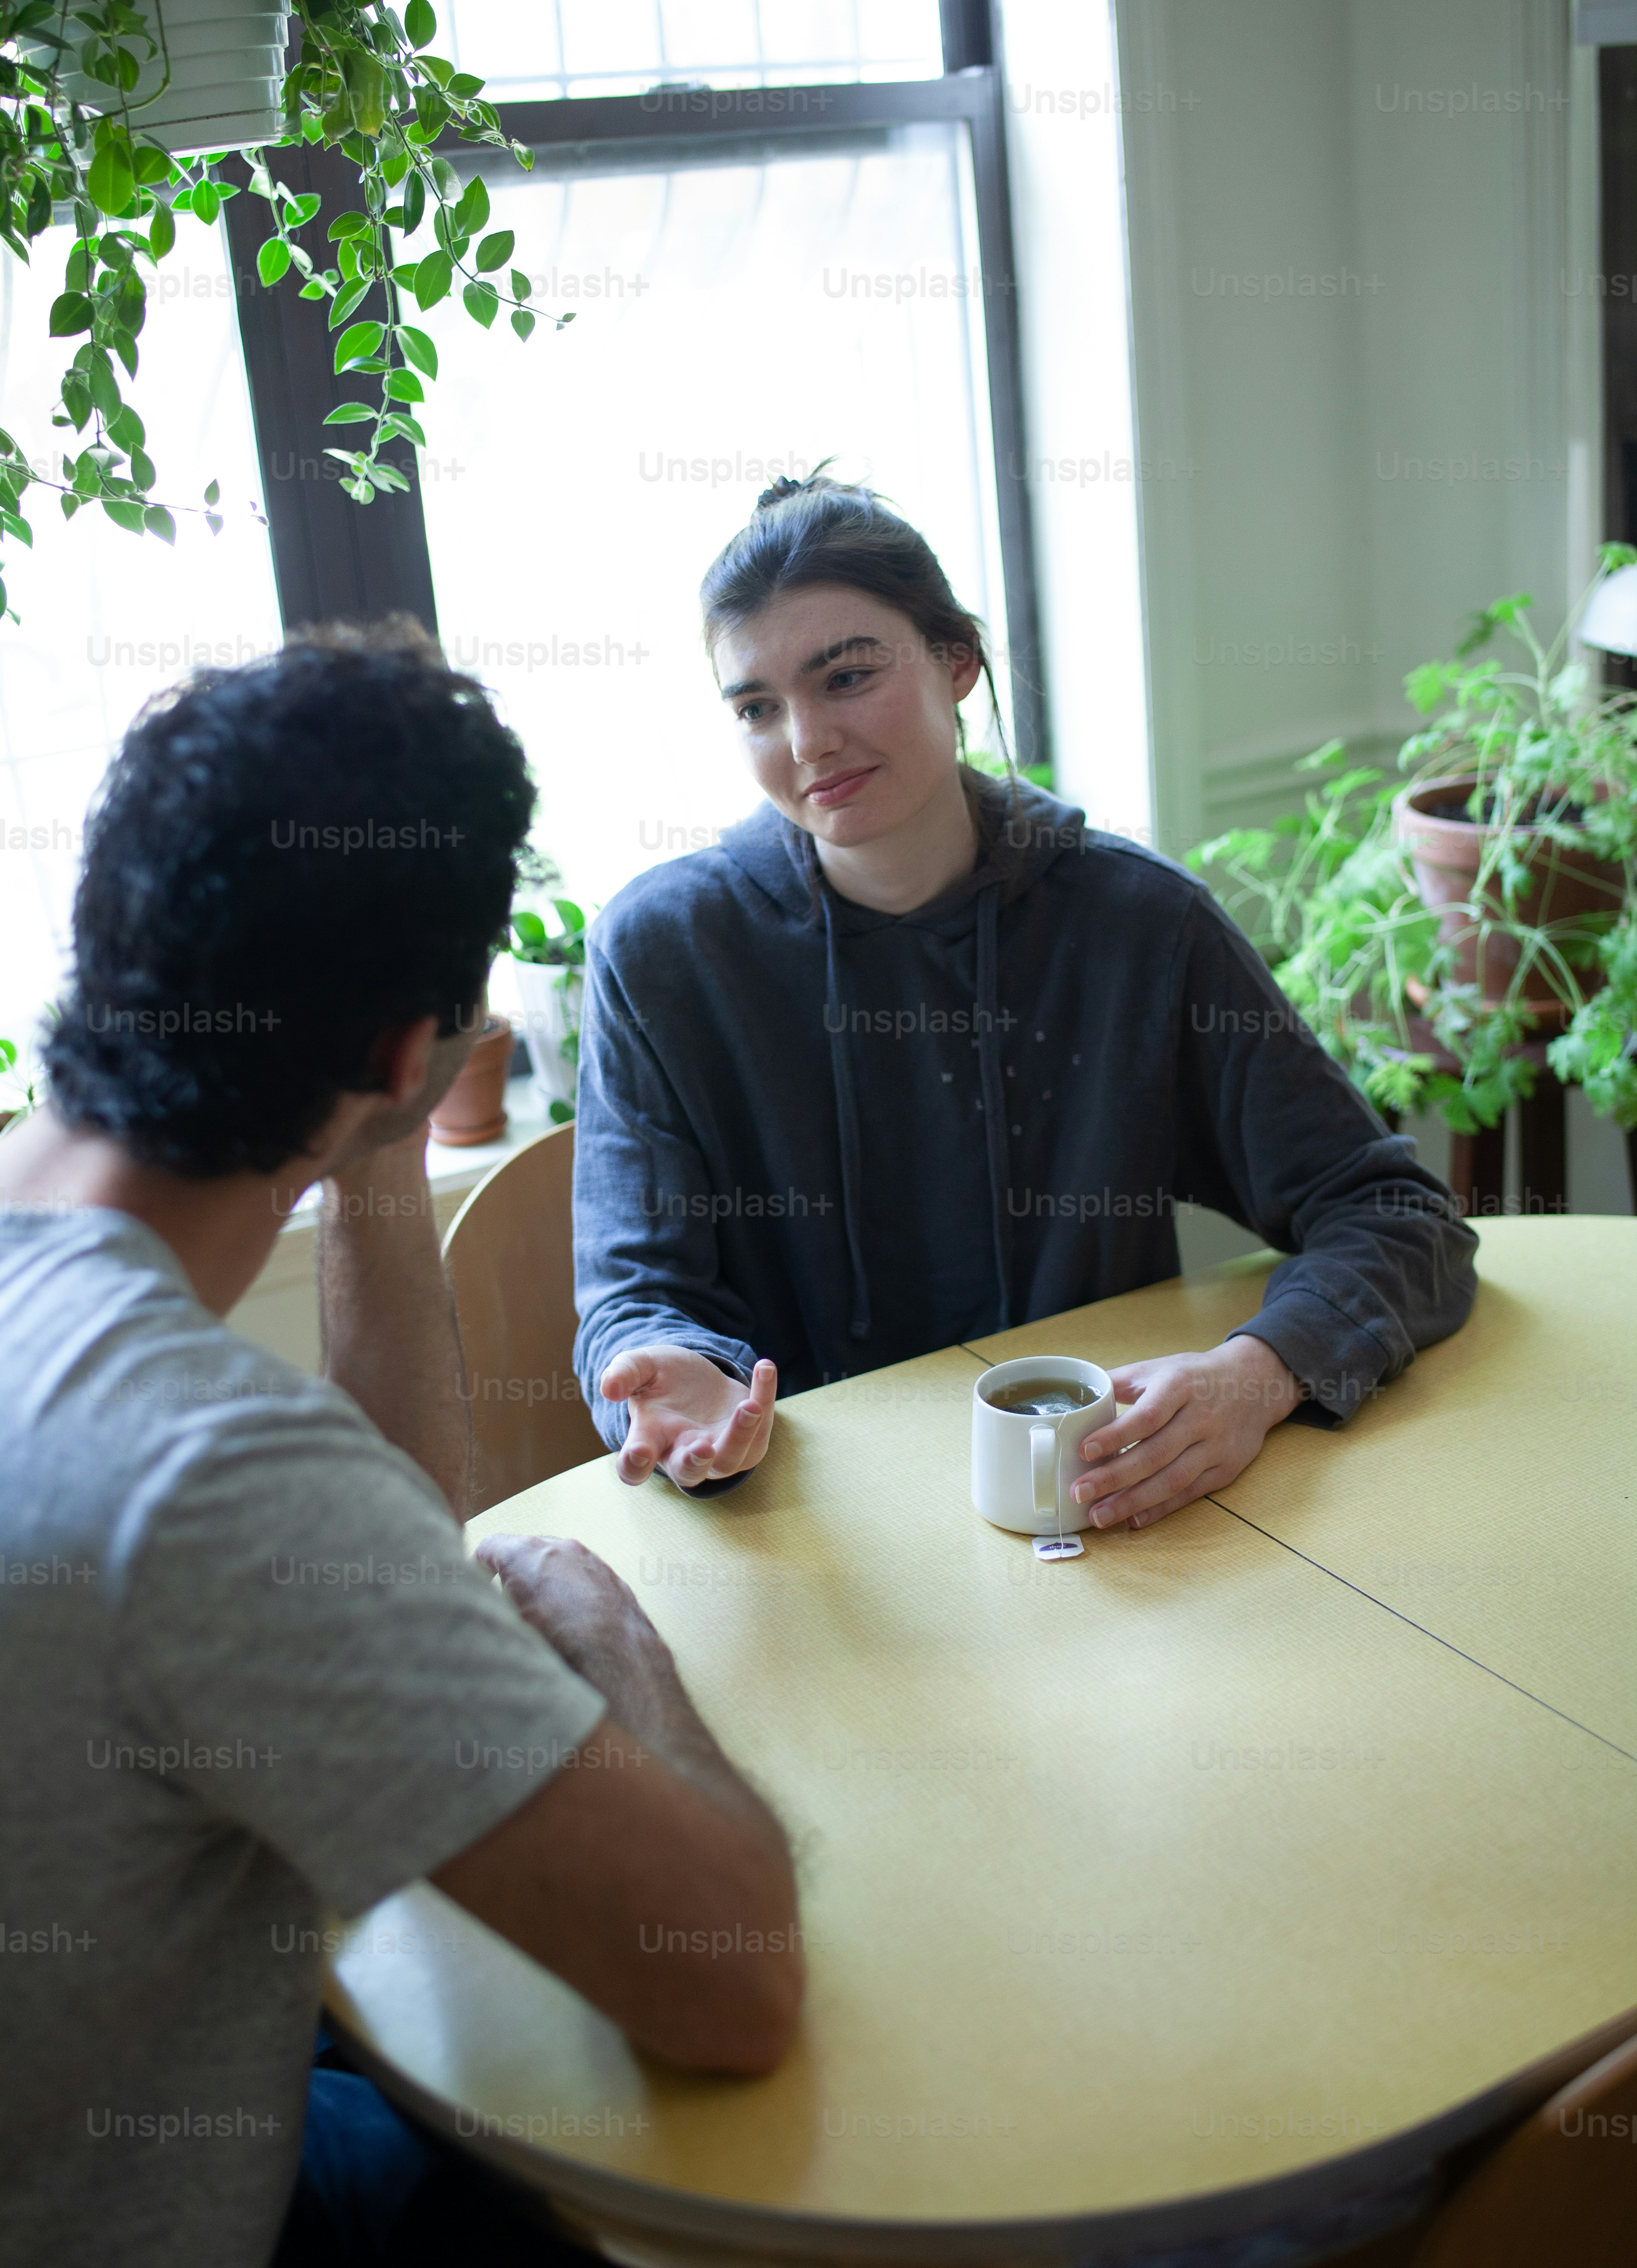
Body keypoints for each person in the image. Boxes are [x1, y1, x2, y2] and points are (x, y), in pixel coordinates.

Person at [0, 626, 802, 2268]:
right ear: (403, 1051)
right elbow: (730, 1981)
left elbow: (380, 1544)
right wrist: (605, 1630)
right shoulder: (201, 1472)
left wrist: (374, 1143)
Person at [574, 473, 1478, 1512]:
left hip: (1098, 1505)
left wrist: (1257, 1372)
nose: (808, 740)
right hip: (809, 1526)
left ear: (956, 661)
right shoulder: (661, 956)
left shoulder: (1139, 925)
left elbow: (1397, 1217)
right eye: (757, 708)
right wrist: (670, 1373)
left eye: (847, 677)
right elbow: (635, 1301)